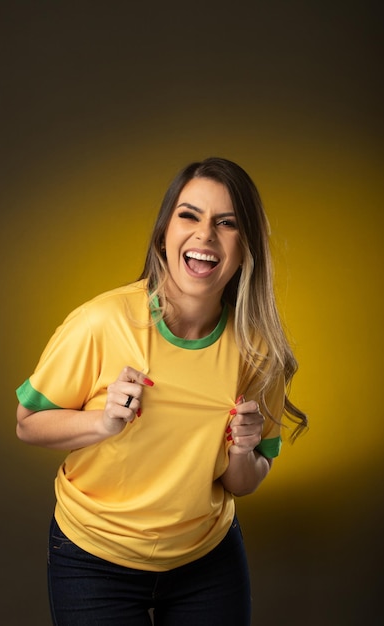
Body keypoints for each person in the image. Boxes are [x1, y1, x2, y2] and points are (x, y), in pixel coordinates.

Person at [16, 157, 307, 626]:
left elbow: (243, 483)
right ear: (163, 233)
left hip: (207, 562)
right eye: (189, 215)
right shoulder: (101, 322)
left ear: (246, 245)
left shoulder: (259, 349)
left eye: (226, 223)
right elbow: (26, 424)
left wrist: (244, 449)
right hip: (94, 559)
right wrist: (103, 421)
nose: (205, 236)